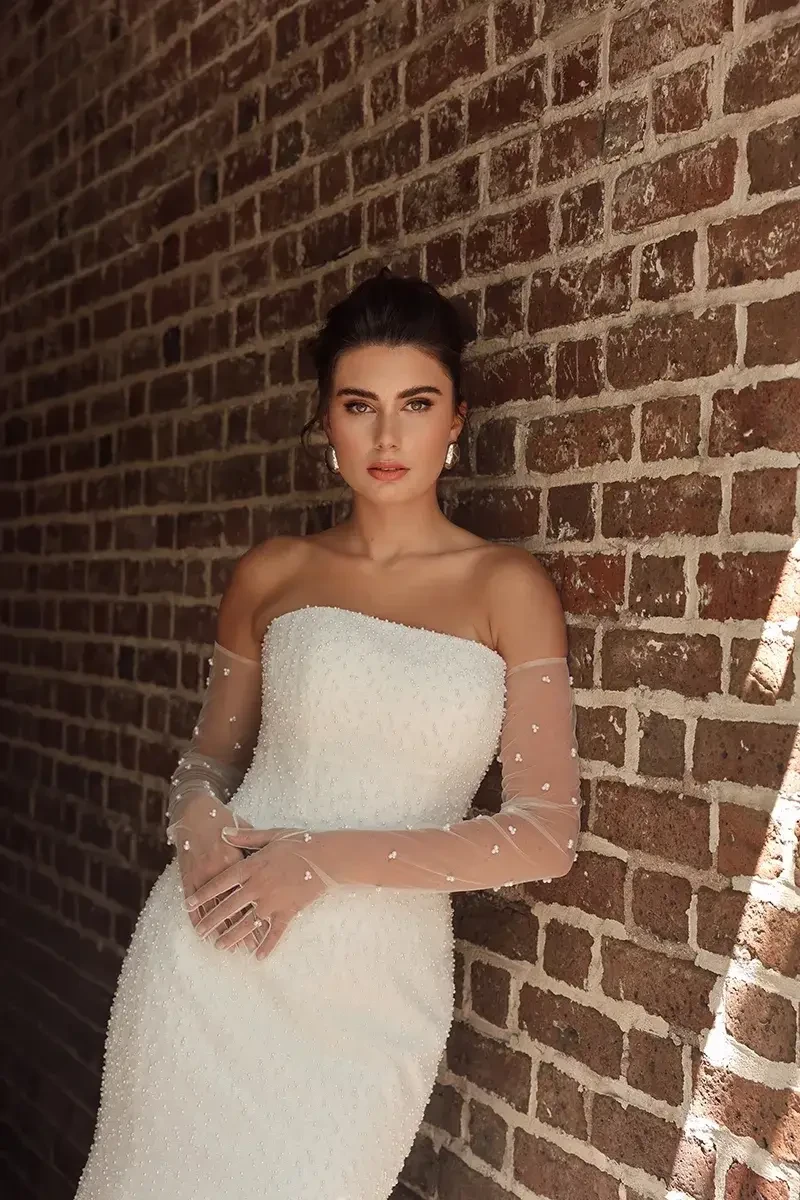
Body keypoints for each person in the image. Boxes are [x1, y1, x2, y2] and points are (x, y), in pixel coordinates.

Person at [74, 269, 581, 1200]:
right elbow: (208, 761)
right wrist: (195, 832)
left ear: (456, 420)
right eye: (360, 405)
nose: (388, 437)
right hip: (213, 958)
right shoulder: (273, 573)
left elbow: (546, 832)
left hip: (372, 996)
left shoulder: (508, 588)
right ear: (327, 423)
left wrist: (321, 860)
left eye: (416, 404)